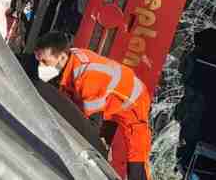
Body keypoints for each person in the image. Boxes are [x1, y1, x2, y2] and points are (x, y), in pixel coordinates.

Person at [35, 32, 152, 180]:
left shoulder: (88, 78)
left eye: (45, 62)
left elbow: (90, 126)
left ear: (62, 57)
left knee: (137, 159)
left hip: (134, 104)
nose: (40, 66)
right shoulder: (71, 60)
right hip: (112, 96)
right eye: (38, 60)